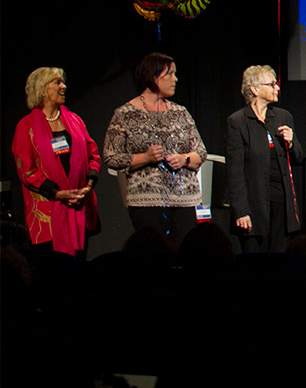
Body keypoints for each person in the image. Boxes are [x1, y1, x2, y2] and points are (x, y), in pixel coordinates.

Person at [104, 53, 207, 249]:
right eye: (170, 74)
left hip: (184, 199)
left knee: (183, 253)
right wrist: (145, 157)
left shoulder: (181, 112)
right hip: (145, 200)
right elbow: (111, 157)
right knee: (153, 254)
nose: (176, 79)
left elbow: (200, 152)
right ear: (154, 77)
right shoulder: (125, 114)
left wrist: (184, 159)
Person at [12, 67, 100, 256]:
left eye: (63, 82)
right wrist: (57, 193)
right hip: (47, 216)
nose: (64, 86)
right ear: (42, 89)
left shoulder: (75, 121)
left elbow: (93, 156)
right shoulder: (25, 127)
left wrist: (88, 186)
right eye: (57, 82)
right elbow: (26, 170)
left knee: (78, 271)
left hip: (78, 209)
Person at [225, 65, 303, 253]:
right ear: (255, 89)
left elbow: (298, 158)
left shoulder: (283, 116)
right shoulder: (237, 122)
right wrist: (241, 210)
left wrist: (291, 143)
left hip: (282, 207)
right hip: (254, 207)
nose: (277, 88)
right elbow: (234, 172)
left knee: (278, 264)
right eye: (272, 84)